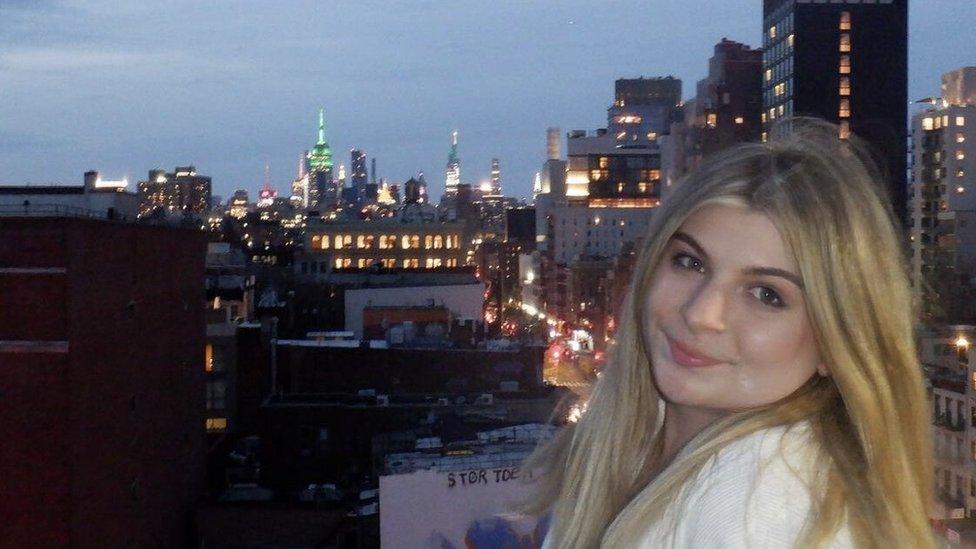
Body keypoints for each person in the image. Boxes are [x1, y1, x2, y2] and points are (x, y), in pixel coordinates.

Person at [525, 119, 934, 548]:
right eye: (689, 262)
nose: (702, 314)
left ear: (836, 341)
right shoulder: (633, 453)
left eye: (766, 295)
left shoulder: (758, 511)